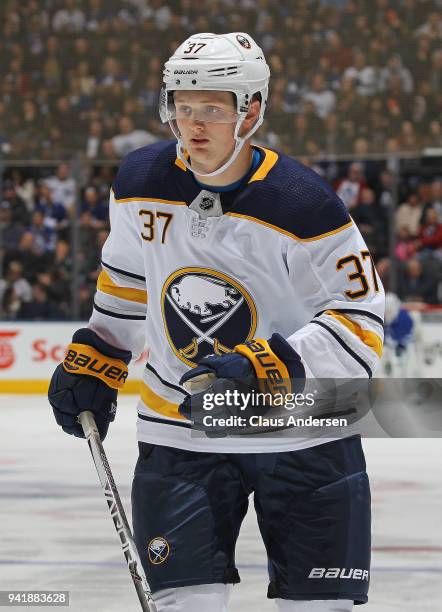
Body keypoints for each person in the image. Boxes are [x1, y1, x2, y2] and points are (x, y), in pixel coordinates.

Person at [48, 33, 385, 611]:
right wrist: (103, 352)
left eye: (212, 108)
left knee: (315, 606)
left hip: (304, 429)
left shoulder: (304, 204)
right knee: (186, 602)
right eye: (182, 107)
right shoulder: (139, 183)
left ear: (250, 109)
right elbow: (127, 278)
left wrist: (274, 364)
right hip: (182, 429)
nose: (193, 124)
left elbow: (360, 321)